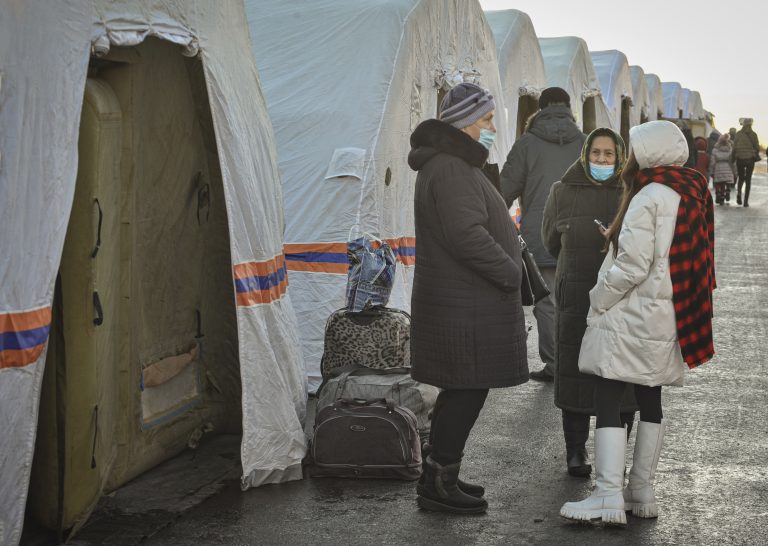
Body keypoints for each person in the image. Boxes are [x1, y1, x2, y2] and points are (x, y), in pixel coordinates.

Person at [560, 120, 716, 526]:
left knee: (608, 393)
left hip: (632, 313)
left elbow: (632, 265)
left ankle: (607, 494)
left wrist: (599, 298)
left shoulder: (649, 196)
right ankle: (641, 491)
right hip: (666, 314)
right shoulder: (692, 191)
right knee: (650, 397)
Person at [408, 83, 529, 514]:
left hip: (461, 301)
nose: (492, 126)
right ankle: (440, 483)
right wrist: (510, 271)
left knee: (461, 389)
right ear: (463, 122)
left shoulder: (449, 165)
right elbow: (467, 235)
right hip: (465, 302)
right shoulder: (452, 168)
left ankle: (442, 475)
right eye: (486, 119)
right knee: (466, 389)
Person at [541, 128, 637, 479]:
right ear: (585, 155)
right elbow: (551, 241)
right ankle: (576, 450)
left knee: (621, 372)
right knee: (575, 369)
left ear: (619, 157)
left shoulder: (631, 191)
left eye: (608, 154)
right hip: (576, 294)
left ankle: (617, 453)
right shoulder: (561, 191)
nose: (601, 160)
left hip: (620, 296)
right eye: (595, 153)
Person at [500, 87, 586, 382]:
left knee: (547, 303)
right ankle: (581, 362)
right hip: (583, 236)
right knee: (580, 300)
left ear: (541, 107)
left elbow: (504, 192)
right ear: (569, 108)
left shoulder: (528, 143)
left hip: (540, 234)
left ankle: (555, 366)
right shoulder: (587, 144)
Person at [733, 117, 761, 207]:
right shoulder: (753, 134)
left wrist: (732, 158)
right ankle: (745, 202)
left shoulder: (738, 134)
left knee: (741, 178)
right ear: (751, 124)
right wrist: (753, 152)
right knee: (748, 180)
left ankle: (739, 195)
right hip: (750, 159)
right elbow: (757, 147)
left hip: (740, 158)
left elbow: (734, 147)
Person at [709, 133, 736, 204]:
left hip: (718, 166)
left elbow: (712, 161)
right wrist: (734, 170)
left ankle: (718, 193)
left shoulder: (715, 149)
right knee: (727, 181)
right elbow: (732, 160)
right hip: (727, 166)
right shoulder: (730, 149)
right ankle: (727, 191)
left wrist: (711, 170)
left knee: (718, 182)